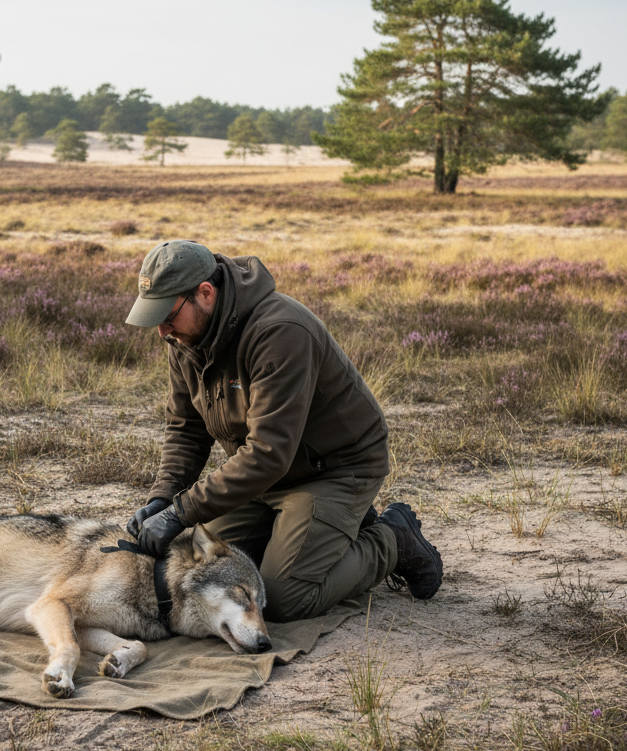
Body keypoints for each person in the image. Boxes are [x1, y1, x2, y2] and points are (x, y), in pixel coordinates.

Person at [123, 239, 442, 623]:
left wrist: (181, 512)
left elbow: (268, 451)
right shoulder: (187, 337)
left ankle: (391, 539)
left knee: (281, 596)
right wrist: (162, 500)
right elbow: (186, 430)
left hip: (334, 469)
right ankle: (329, 529)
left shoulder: (279, 331)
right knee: (201, 565)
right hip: (262, 476)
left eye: (167, 315)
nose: (162, 331)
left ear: (205, 293)